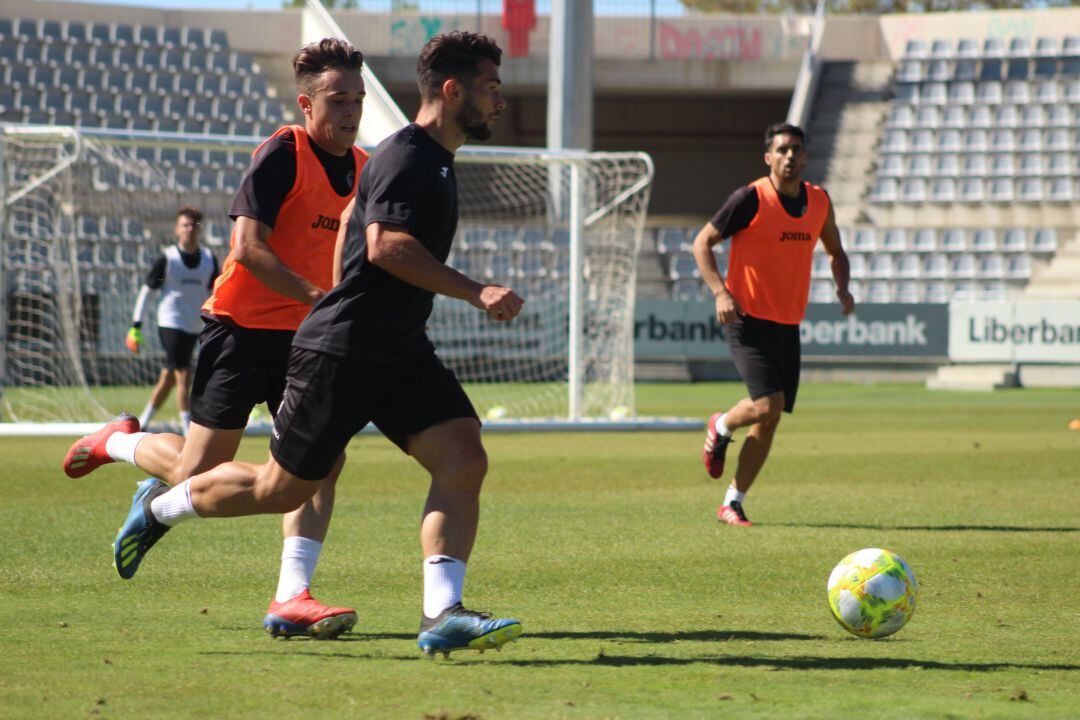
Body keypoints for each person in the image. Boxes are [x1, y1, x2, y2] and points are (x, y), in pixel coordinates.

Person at [109, 31, 523, 658]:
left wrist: (341, 288)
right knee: (282, 489)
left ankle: (443, 613)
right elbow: (385, 245)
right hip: (344, 352)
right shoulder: (408, 156)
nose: (500, 99)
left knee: (463, 456)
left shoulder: (428, 158)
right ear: (453, 89)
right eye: (491, 87)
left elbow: (353, 237)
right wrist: (475, 291)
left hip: (399, 349)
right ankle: (163, 509)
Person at [63, 38, 369, 639]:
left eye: (357, 99)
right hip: (239, 330)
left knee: (321, 462)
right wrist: (319, 297)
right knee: (195, 471)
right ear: (307, 104)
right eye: (338, 99)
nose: (351, 110)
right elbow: (247, 249)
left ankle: (292, 596)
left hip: (305, 339)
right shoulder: (283, 153)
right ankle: (116, 444)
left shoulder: (363, 166)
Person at [693, 122, 854, 527]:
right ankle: (722, 423)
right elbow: (702, 243)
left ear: (805, 156)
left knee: (770, 419)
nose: (789, 156)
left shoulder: (819, 201)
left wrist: (843, 289)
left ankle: (732, 501)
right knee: (769, 404)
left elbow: (836, 251)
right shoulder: (750, 198)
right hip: (745, 317)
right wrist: (720, 292)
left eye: (796, 149)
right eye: (781, 150)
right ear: (769, 158)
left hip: (787, 322)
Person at [126, 206, 219, 436]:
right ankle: (188, 430)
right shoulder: (167, 259)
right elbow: (149, 290)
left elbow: (215, 292)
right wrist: (136, 325)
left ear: (200, 229)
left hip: (195, 325)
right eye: (185, 225)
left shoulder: (209, 260)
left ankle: (143, 423)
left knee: (168, 377)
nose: (189, 229)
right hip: (170, 322)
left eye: (194, 225)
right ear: (177, 229)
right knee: (183, 373)